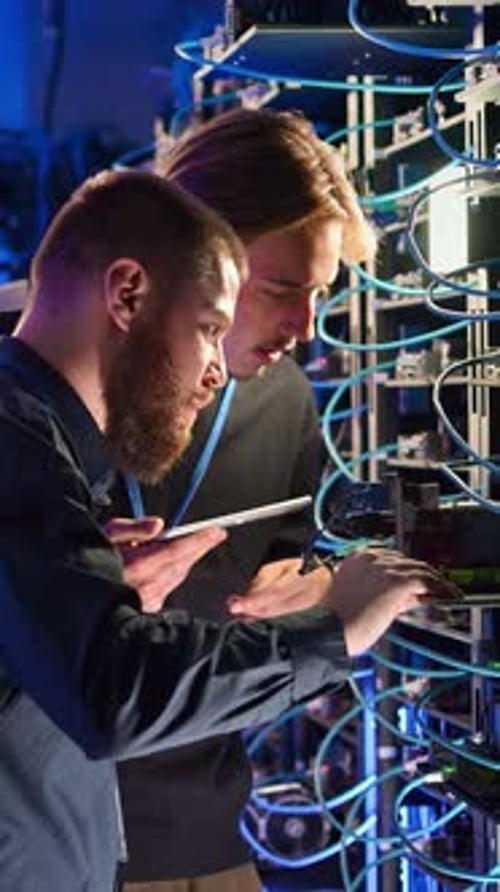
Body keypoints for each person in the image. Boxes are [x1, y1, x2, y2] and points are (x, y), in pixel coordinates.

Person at [0, 166, 450, 892]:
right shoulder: (14, 439)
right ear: (127, 293)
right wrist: (334, 630)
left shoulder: (40, 446)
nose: (216, 371)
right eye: (210, 327)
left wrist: (88, 596)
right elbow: (110, 694)